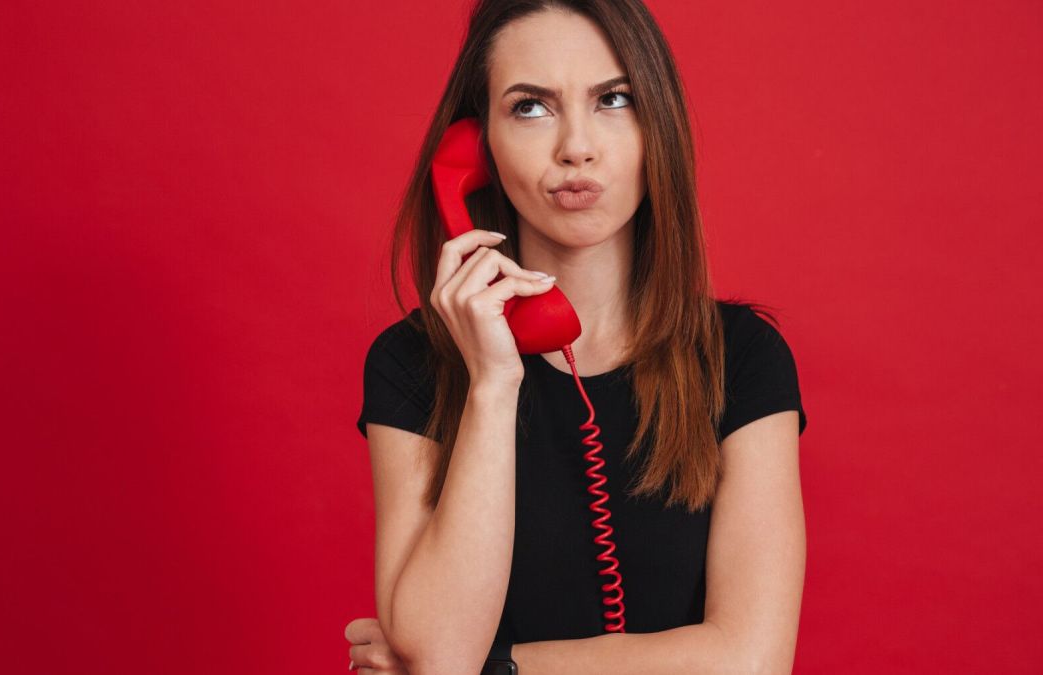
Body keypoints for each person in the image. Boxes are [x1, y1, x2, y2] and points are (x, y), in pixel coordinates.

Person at [346, 1, 808, 673]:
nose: (576, 147)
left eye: (613, 99)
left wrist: (500, 666)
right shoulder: (410, 363)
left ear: (658, 124)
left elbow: (749, 660)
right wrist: (494, 382)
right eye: (531, 107)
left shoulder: (741, 359)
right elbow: (441, 649)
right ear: (477, 146)